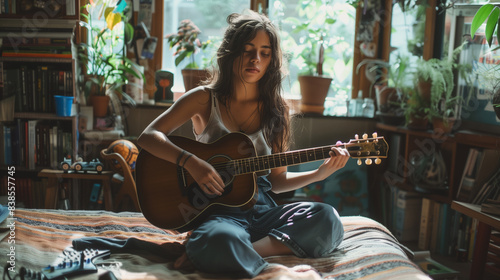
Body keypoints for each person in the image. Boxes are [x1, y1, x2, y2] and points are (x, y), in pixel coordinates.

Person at [137, 10, 349, 278]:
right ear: (231, 52)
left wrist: (321, 173)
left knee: (328, 219)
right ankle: (253, 262)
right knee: (219, 237)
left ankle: (235, 250)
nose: (255, 59)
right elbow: (148, 136)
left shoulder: (277, 109)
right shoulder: (204, 99)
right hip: (219, 214)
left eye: (264, 52)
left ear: (272, 59)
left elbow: (277, 181)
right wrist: (192, 163)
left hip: (264, 211)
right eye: (247, 50)